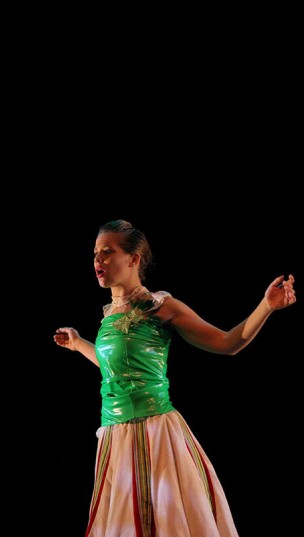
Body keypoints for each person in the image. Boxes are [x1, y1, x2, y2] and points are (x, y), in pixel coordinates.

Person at [53, 219, 296, 536]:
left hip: (155, 433)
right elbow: (115, 369)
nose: (98, 259)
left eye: (107, 252)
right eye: (95, 253)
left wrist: (266, 306)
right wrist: (78, 344)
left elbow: (227, 343)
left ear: (133, 258)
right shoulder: (109, 316)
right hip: (116, 436)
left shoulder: (161, 306)